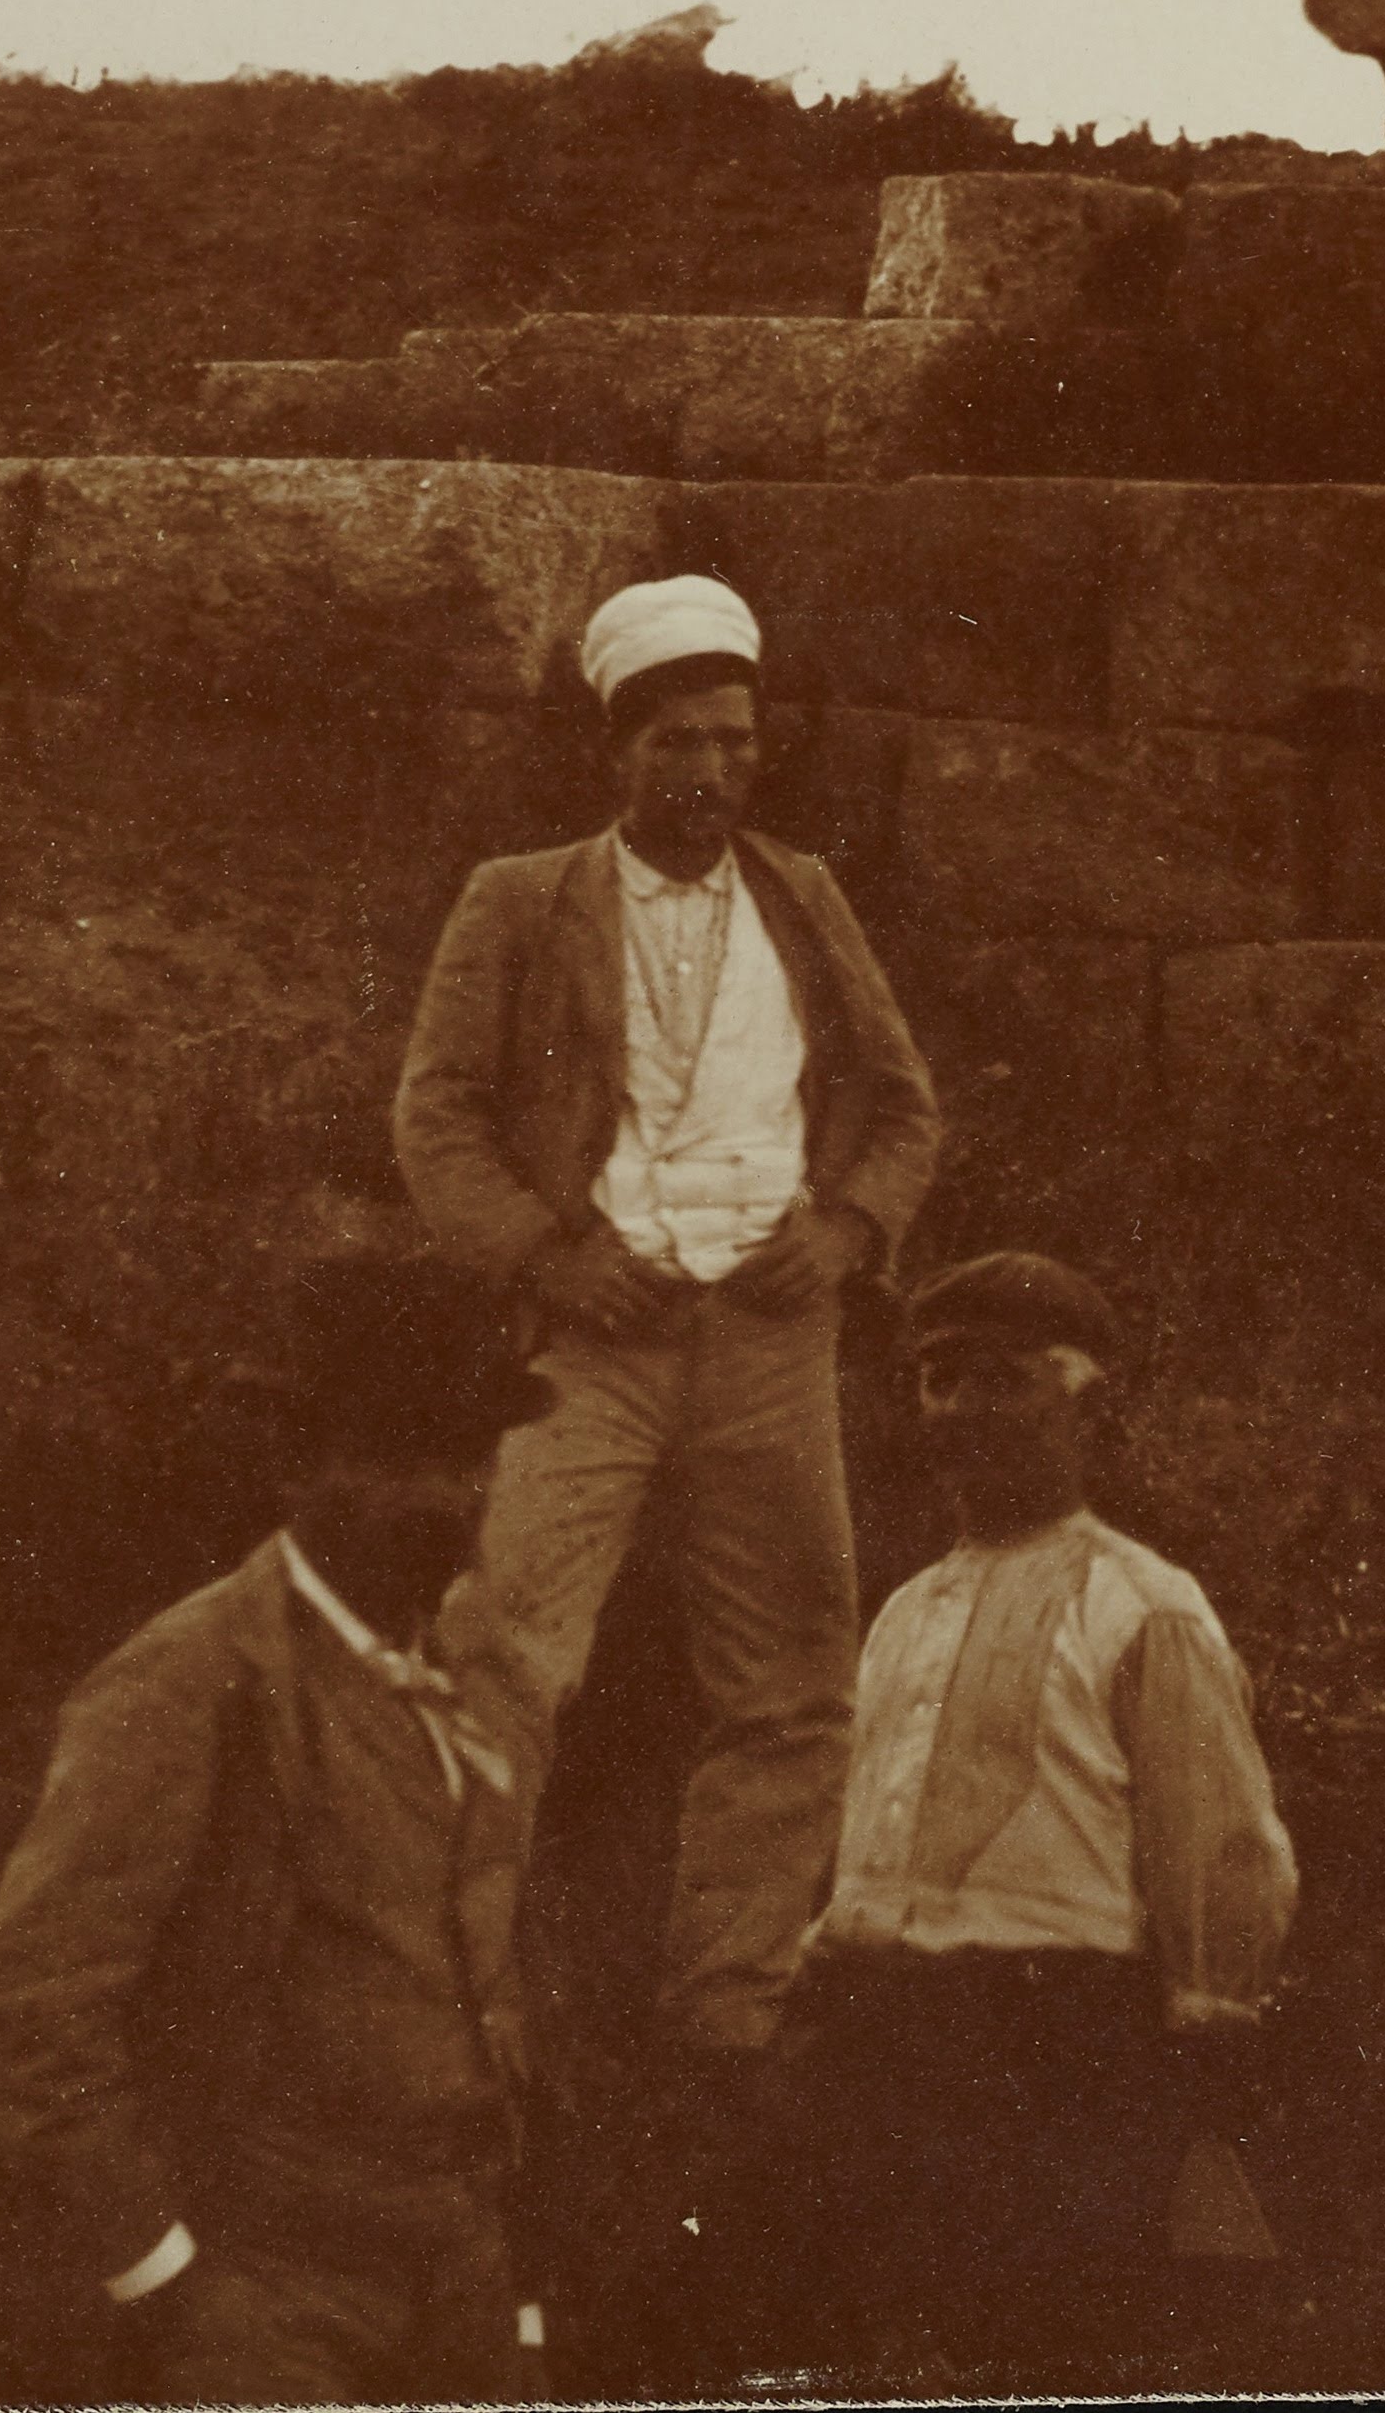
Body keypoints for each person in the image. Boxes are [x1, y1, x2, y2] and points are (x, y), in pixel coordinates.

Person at [388, 569, 941, 2080]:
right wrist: (548, 1254)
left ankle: (728, 2007)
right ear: (614, 752)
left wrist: (840, 1230)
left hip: (769, 1346)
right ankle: (448, 1988)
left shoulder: (803, 896)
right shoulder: (521, 899)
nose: (707, 772)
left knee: (796, 1679)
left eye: (733, 742)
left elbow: (899, 1107)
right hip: (593, 1346)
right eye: (676, 742)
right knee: (505, 1652)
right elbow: (435, 1114)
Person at [0, 1253, 549, 2403]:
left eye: (467, 1457)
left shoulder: (495, 1684)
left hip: (463, 2268)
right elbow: (24, 2019)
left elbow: (512, 1983)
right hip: (267, 2286)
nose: (442, 1495)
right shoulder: (193, 1679)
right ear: (293, 1465)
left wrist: (519, 2286)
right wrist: (169, 2279)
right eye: (392, 1455)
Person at [742, 1248, 1296, 2393]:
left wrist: (1202, 2037)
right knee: (844, 2338)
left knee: (1027, 2346)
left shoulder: (1141, 1601)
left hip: (1051, 2045)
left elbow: (1220, 1846)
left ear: (1082, 1398)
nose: (961, 1411)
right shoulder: (903, 1611)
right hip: (878, 2030)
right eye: (940, 1380)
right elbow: (869, 1829)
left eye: (1000, 1380)